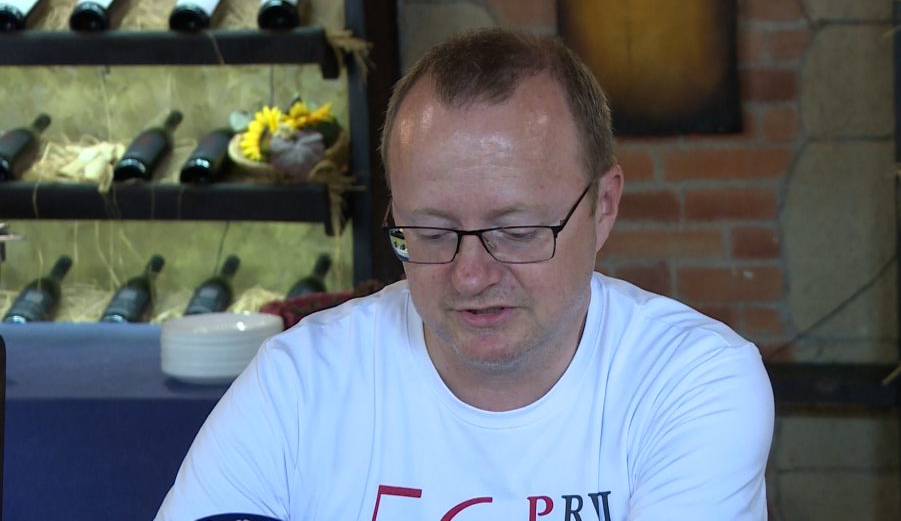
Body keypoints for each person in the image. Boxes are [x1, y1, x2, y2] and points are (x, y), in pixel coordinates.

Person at [155, 28, 774, 520]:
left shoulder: (691, 381)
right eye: (431, 233)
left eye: (517, 231)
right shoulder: (299, 382)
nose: (471, 276)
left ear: (603, 207)